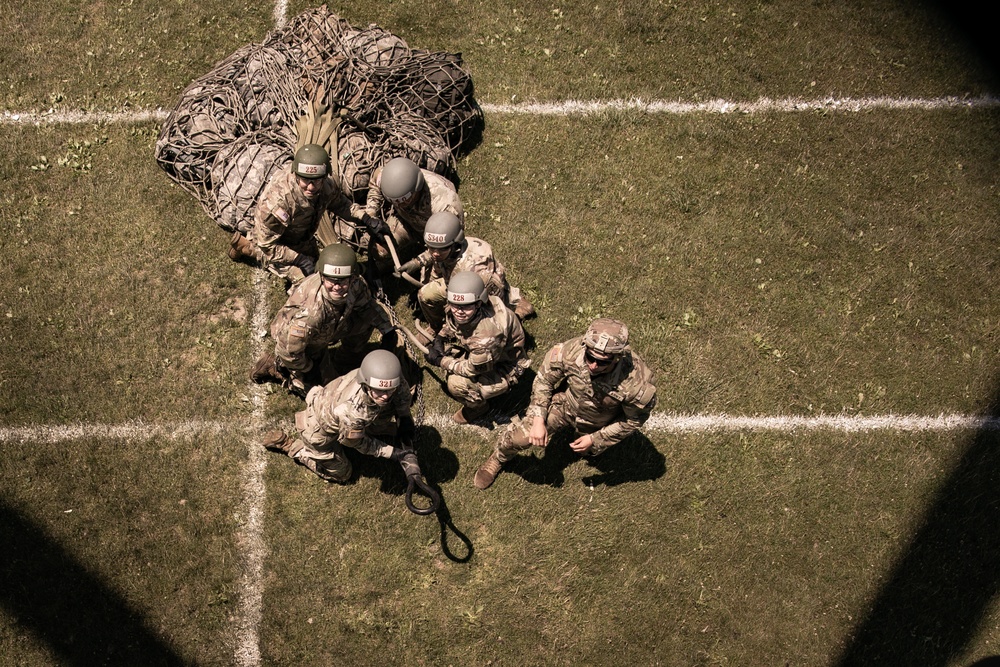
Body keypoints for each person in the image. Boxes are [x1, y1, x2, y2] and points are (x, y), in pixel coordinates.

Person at [473, 318, 657, 490]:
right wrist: (538, 419)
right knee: (520, 438)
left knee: (589, 453)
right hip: (565, 406)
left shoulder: (637, 383)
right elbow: (544, 380)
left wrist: (596, 439)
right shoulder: (570, 351)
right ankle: (499, 457)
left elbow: (633, 420)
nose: (593, 366)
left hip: (599, 422)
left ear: (617, 357)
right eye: (590, 358)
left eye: (602, 362)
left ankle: (587, 442)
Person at [250, 243, 398, 395]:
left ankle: (346, 358)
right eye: (331, 281)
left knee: (365, 322)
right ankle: (276, 368)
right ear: (321, 276)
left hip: (331, 325)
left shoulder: (356, 284)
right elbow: (288, 350)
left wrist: (387, 330)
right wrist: (309, 369)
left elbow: (367, 306)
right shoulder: (310, 314)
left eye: (342, 281)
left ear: (352, 277)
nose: (337, 287)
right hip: (303, 344)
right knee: (327, 393)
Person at [229, 144, 388, 284]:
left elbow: (340, 205)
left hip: (301, 236)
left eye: (316, 180)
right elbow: (268, 245)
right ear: (296, 175)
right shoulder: (277, 204)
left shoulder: (326, 184)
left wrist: (365, 218)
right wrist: (299, 260)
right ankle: (247, 247)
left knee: (320, 267)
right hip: (275, 242)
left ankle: (243, 245)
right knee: (306, 281)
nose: (311, 187)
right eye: (306, 180)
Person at [261, 349, 422, 484]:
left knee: (385, 409)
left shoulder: (386, 379)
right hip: (318, 429)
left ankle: (284, 377)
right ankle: (290, 446)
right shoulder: (353, 411)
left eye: (389, 390)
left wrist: (405, 416)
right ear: (366, 384)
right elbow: (357, 443)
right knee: (343, 474)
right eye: (379, 391)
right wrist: (393, 453)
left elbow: (401, 395)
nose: (385, 396)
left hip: (327, 397)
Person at [394, 211, 535, 334]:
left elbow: (482, 306)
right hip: (454, 282)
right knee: (425, 294)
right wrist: (417, 262)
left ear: (455, 244)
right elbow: (436, 252)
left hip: (480, 296)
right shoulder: (446, 247)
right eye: (431, 247)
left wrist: (447, 331)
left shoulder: (478, 270)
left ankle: (516, 305)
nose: (435, 254)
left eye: (441, 249)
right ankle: (435, 327)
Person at [423, 271, 530, 424]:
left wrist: (441, 361)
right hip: (490, 351)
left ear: (479, 303)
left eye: (465, 307)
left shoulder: (485, 337)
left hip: (506, 365)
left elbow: (471, 369)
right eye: (455, 304)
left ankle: (478, 407)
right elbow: (456, 321)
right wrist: (441, 336)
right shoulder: (476, 306)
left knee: (455, 383)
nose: (459, 311)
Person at [364, 156, 464, 268]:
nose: (399, 205)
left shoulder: (445, 205)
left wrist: (419, 262)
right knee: (378, 248)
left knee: (444, 265)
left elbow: (452, 243)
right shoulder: (385, 177)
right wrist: (371, 214)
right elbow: (376, 181)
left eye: (405, 201)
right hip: (407, 222)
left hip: (437, 234)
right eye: (395, 202)